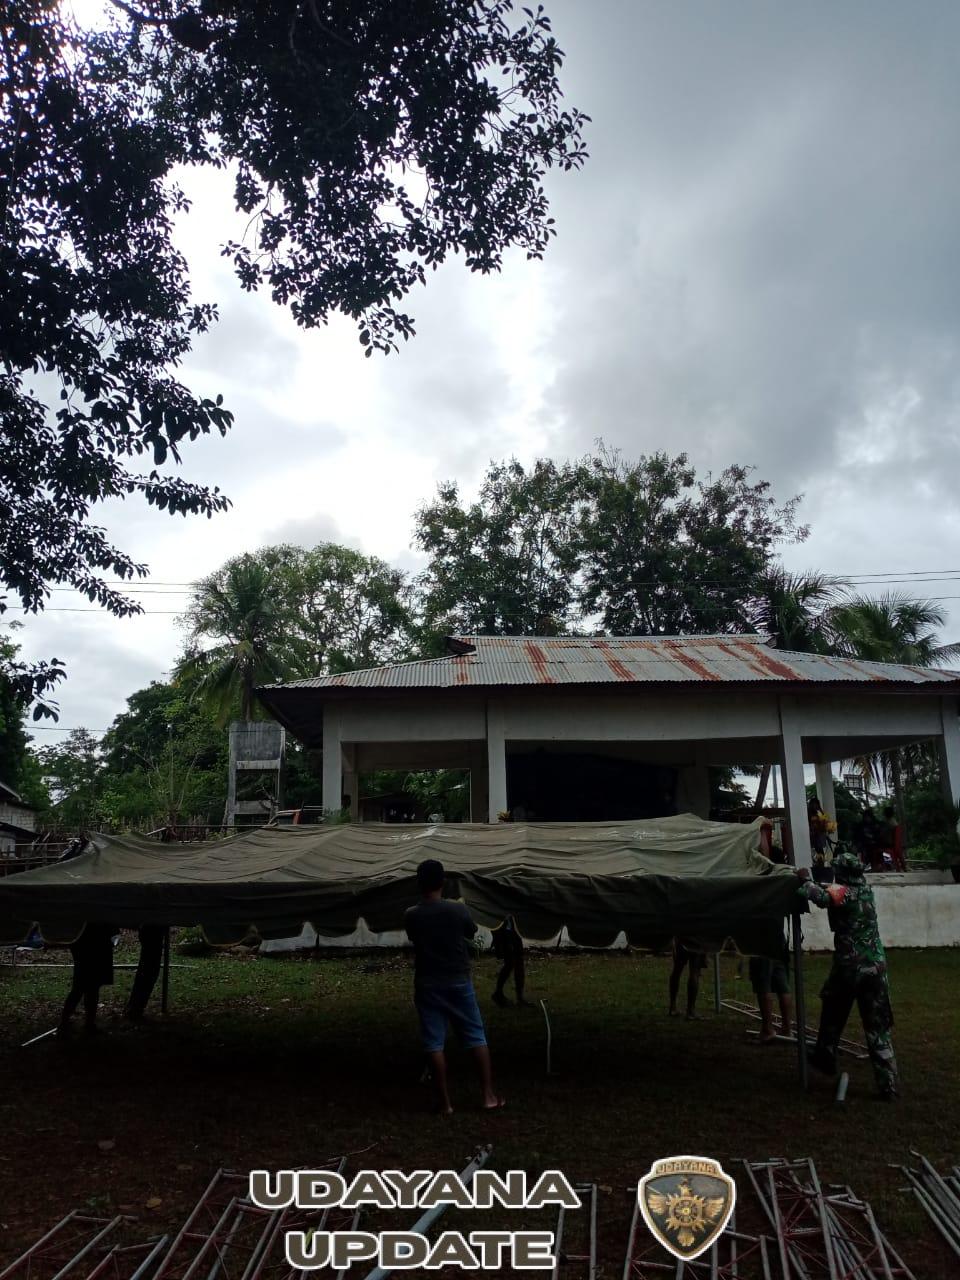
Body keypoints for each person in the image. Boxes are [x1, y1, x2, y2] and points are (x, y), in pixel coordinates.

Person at [796, 851, 899, 1100]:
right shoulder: (865, 891)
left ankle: (826, 1056)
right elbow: (834, 891)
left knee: (832, 1011)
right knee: (878, 1029)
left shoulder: (845, 894)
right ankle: (889, 1086)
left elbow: (820, 896)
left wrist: (803, 879)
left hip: (850, 968)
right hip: (876, 967)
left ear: (841, 873)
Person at [404, 859, 504, 1114]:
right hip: (458, 980)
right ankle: (487, 1096)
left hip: (427, 983)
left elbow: (415, 938)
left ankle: (445, 1103)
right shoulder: (457, 911)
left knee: (434, 1042)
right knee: (475, 1036)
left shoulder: (411, 915)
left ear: (419, 883)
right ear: (443, 882)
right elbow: (471, 932)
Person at [58, 922, 117, 1036]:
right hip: (91, 943)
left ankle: (83, 1023)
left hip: (93, 942)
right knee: (83, 988)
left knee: (88, 988)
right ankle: (70, 1023)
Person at [124, 924, 166, 1022]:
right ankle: (135, 1009)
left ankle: (134, 1007)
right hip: (152, 932)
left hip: (149, 931)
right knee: (149, 973)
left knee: (146, 972)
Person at [491, 915, 531, 1007]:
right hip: (504, 932)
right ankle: (499, 993)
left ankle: (519, 997)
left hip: (513, 930)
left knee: (518, 962)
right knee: (510, 962)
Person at [668, 938, 708, 1019]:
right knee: (694, 972)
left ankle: (673, 1007)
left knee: (677, 970)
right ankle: (690, 1011)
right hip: (697, 940)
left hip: (682, 938)